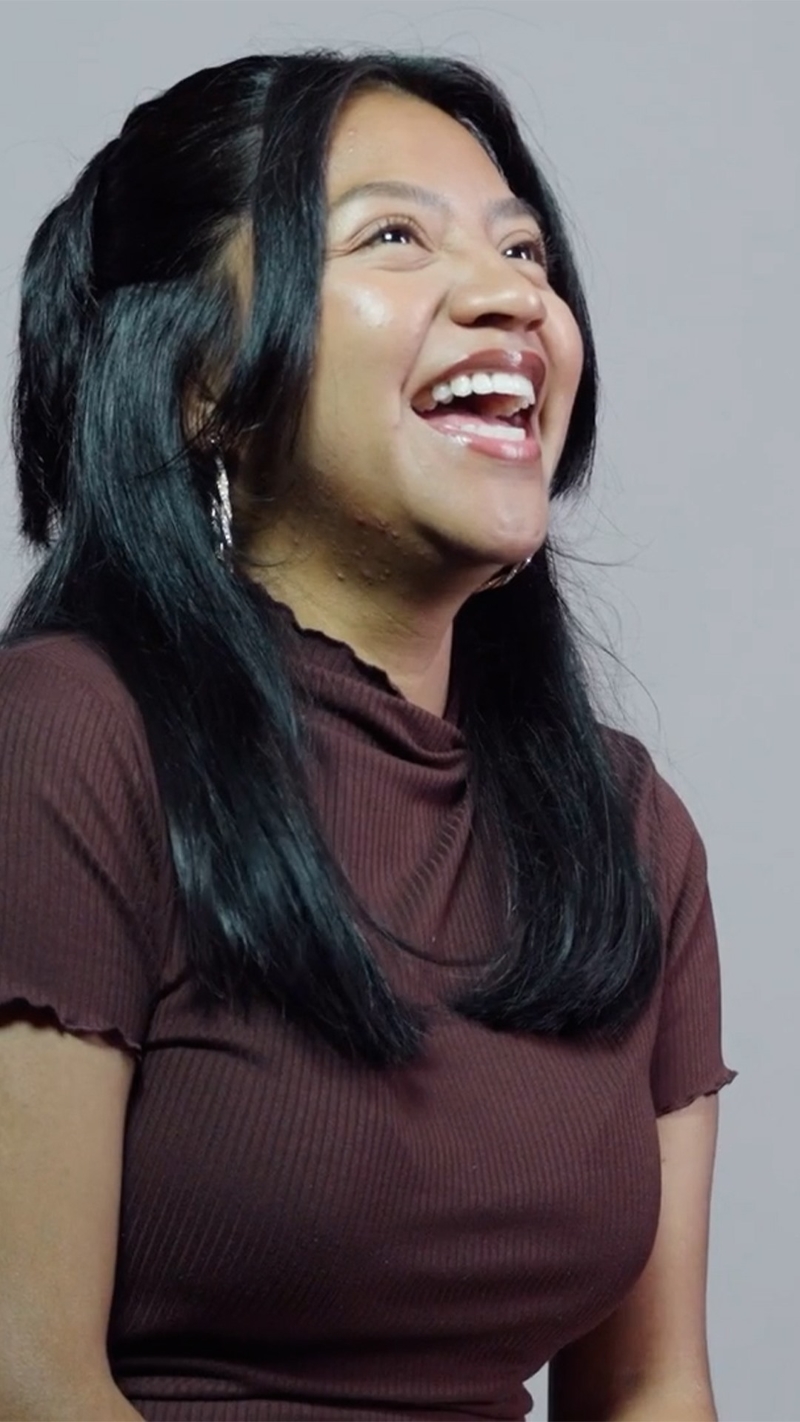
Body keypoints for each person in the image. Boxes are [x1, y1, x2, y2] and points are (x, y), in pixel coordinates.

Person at [0, 49, 736, 1422]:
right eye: (394, 236)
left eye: (525, 250)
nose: (515, 295)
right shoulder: (69, 742)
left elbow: (653, 1387)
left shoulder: (629, 832)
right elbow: (25, 1381)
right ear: (204, 380)